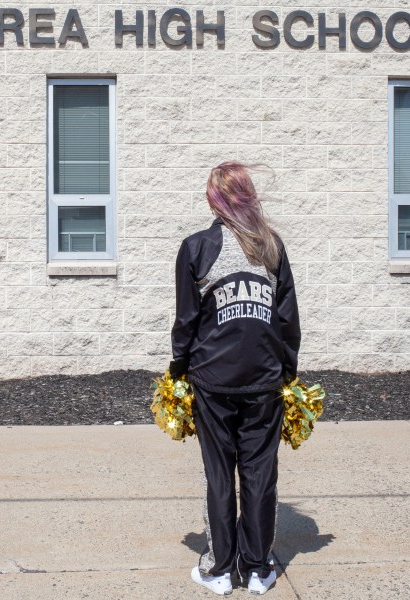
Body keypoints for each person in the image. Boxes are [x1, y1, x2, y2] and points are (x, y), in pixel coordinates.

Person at [169, 161, 300, 596]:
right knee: (260, 473)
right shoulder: (270, 246)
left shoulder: (197, 247)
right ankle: (258, 569)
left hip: (213, 381)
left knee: (220, 473)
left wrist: (178, 368)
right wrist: (288, 370)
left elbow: (187, 319)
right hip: (264, 380)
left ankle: (221, 568)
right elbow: (287, 319)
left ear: (215, 200)